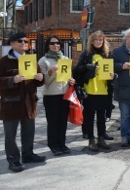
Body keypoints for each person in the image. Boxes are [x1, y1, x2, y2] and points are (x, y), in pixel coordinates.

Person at [0, 32, 45, 172]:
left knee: (29, 131)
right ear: (11, 43)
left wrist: (40, 77)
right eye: (20, 41)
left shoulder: (32, 60)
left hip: (29, 102)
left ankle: (28, 154)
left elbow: (40, 81)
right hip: (11, 104)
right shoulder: (3, 61)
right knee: (10, 135)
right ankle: (13, 160)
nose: (23, 43)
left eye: (26, 41)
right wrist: (11, 80)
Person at [74, 30, 115, 151]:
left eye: (100, 40)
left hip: (104, 90)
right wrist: (88, 67)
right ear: (92, 41)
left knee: (101, 117)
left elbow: (112, 71)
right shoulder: (86, 54)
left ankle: (101, 139)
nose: (98, 42)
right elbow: (77, 70)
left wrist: (114, 75)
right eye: (96, 40)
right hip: (90, 90)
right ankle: (91, 140)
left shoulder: (107, 54)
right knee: (89, 117)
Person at [38, 35, 75, 156]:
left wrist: (71, 81)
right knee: (53, 122)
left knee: (63, 121)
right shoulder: (43, 61)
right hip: (51, 95)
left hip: (64, 95)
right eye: (52, 43)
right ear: (48, 45)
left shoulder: (64, 59)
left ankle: (62, 143)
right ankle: (53, 145)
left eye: (58, 43)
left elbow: (68, 76)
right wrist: (50, 72)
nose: (56, 45)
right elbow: (44, 82)